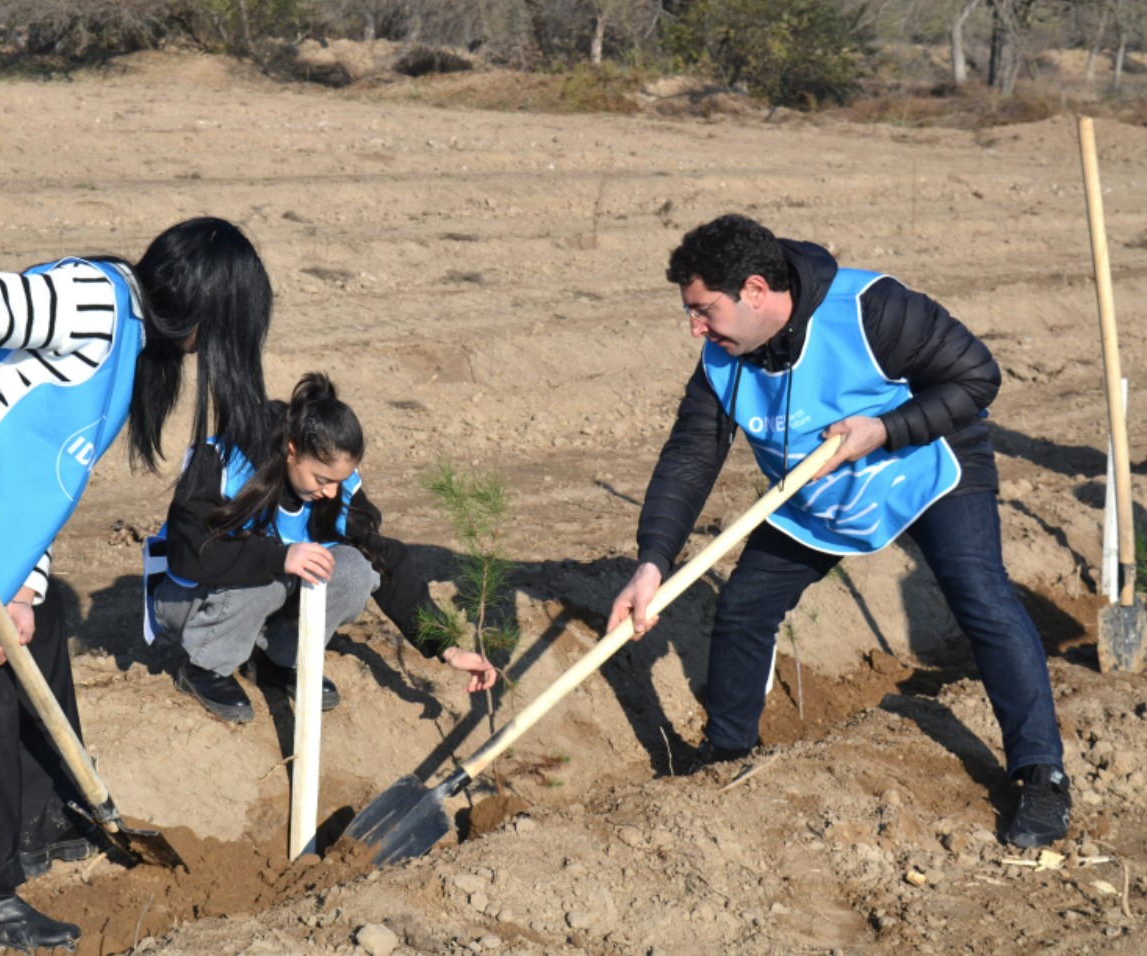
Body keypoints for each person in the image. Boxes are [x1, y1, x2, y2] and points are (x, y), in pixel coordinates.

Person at [0, 217, 275, 952]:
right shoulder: (94, 298)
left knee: (35, 643)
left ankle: (46, 825)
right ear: (204, 311)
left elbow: (50, 482)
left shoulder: (135, 351)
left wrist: (23, 586)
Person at [606, 213, 1071, 849]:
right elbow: (690, 458)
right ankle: (726, 755)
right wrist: (652, 563)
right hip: (816, 492)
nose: (696, 327)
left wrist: (882, 431)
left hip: (926, 471)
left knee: (982, 599)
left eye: (704, 310)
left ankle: (1041, 775)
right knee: (743, 609)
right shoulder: (722, 359)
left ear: (755, 291)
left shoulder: (871, 308)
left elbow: (977, 376)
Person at [146, 371, 498, 723]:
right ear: (291, 450)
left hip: (254, 596)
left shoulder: (336, 488)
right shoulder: (224, 461)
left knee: (354, 569)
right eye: (322, 480)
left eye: (339, 482)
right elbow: (189, 553)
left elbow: (385, 562)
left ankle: (278, 660)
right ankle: (205, 666)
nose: (330, 492)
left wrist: (445, 646)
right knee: (272, 573)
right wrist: (279, 557)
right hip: (184, 598)